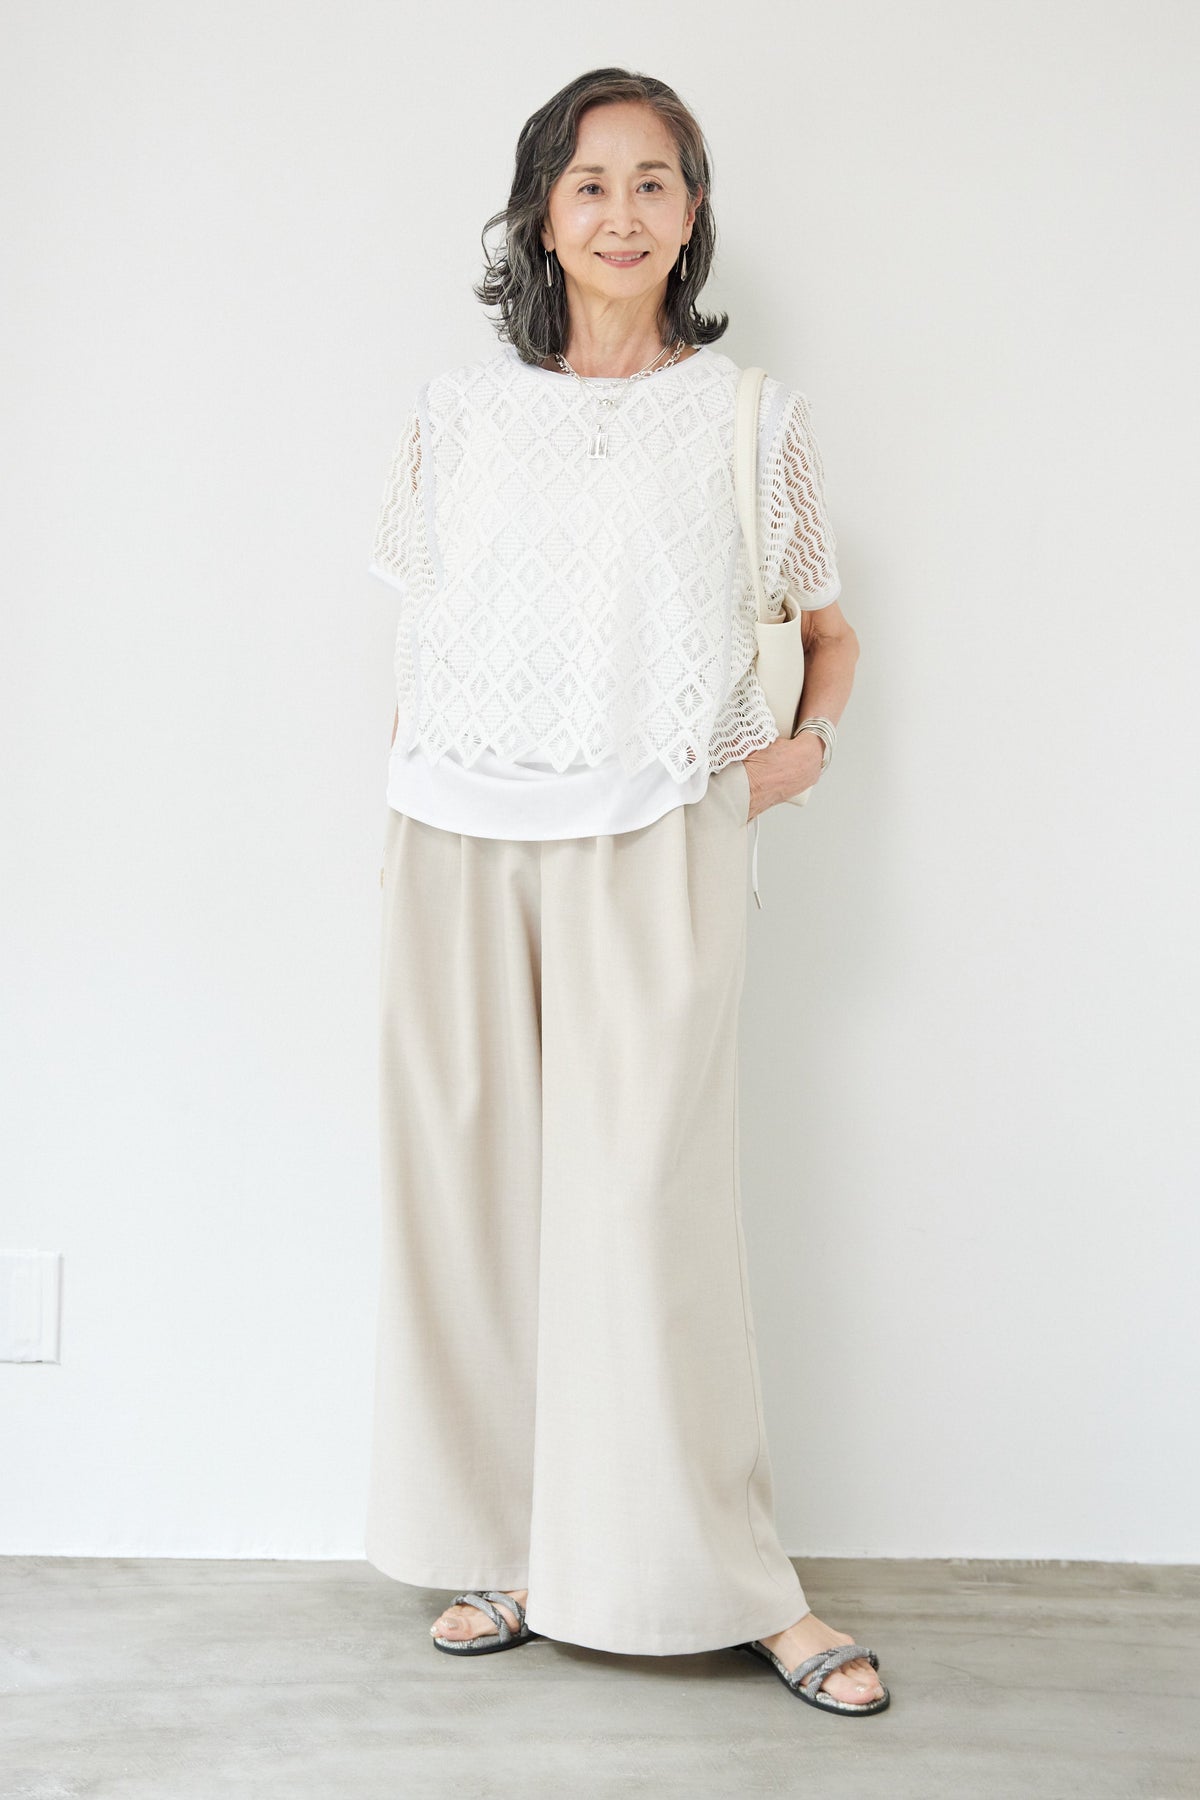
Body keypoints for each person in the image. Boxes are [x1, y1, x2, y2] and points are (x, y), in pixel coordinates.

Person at [363, 66, 889, 1718]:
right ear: (541, 214)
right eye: (589, 183)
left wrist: (792, 760)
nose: (621, 211)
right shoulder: (457, 414)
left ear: (692, 215)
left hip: (660, 831)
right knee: (472, 1205)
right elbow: (431, 627)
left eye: (655, 182)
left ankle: (742, 1585)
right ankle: (511, 1550)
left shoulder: (750, 417)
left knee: (649, 1212)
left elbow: (829, 630)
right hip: (454, 836)